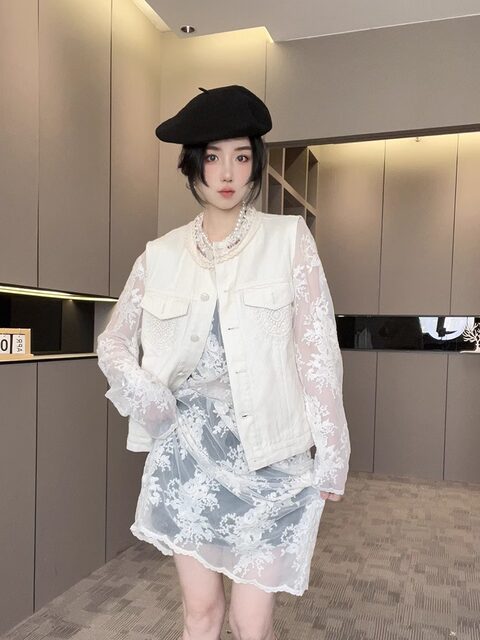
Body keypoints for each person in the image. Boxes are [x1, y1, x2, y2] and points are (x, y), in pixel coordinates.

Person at [97, 85, 351, 640]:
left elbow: (316, 351)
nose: (228, 173)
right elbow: (112, 342)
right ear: (193, 165)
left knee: (249, 622)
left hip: (272, 456)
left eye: (241, 156)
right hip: (187, 457)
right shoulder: (160, 255)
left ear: (256, 162)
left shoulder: (288, 240)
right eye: (213, 157)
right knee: (201, 613)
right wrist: (148, 396)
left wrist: (332, 452)